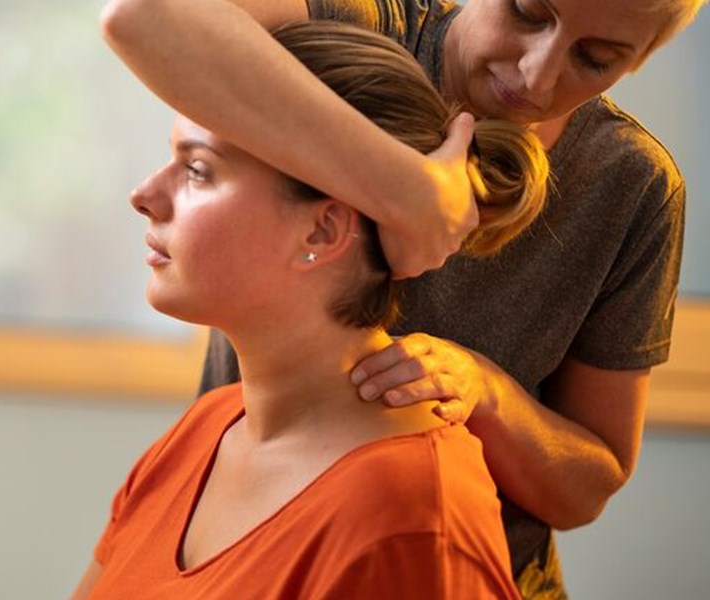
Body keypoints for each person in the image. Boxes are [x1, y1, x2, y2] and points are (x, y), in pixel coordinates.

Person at [100, 0, 701, 595]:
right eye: (526, 12)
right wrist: (407, 189)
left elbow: (586, 487)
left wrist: (486, 393)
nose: (536, 76)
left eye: (596, 58)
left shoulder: (630, 183)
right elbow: (143, 13)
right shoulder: (358, 24)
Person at [72, 21, 548, 598]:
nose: (144, 195)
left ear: (321, 231)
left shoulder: (415, 515)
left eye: (198, 169)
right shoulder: (205, 432)